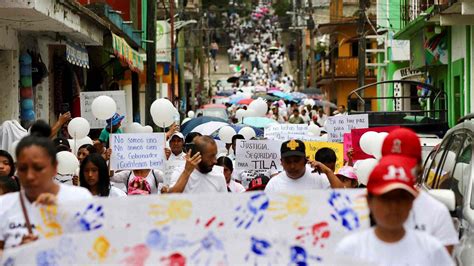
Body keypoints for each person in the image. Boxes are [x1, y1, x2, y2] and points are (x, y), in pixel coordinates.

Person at [336, 157, 454, 266]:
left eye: (401, 198)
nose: (393, 206)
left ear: (412, 202)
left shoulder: (433, 250)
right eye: (385, 198)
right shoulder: (350, 249)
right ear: (369, 201)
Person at [0, 129, 92, 250]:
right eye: (23, 168)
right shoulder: (4, 205)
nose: (29, 176)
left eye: (38, 168)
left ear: (54, 167)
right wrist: (17, 252)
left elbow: (94, 248)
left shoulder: (80, 198)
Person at [381, 127, 459, 253]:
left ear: (419, 167)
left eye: (405, 165)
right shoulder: (362, 207)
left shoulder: (437, 213)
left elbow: (444, 258)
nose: (399, 171)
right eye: (393, 164)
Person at [264, 140, 344, 192]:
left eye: (297, 161)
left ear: (306, 160)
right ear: (281, 162)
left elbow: (342, 194)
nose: (292, 166)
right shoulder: (273, 184)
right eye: (288, 162)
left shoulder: (319, 177)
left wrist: (328, 171)